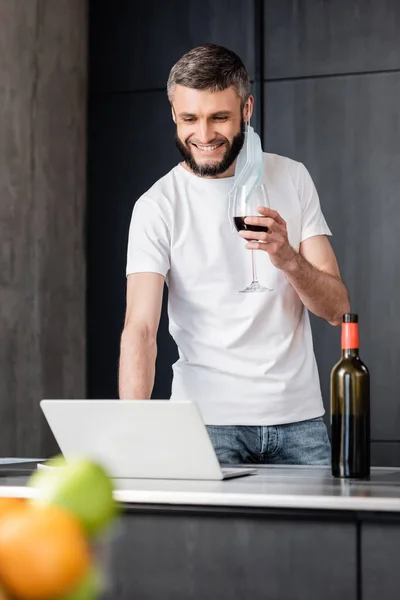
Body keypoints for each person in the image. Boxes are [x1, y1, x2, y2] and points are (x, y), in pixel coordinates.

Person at [119, 44, 350, 465]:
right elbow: (140, 329)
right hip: (205, 425)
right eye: (189, 118)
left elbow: (338, 309)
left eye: (219, 117)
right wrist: (132, 434)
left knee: (320, 534)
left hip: (300, 424)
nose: (203, 135)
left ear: (247, 109)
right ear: (173, 114)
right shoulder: (156, 205)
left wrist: (289, 261)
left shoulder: (291, 177)